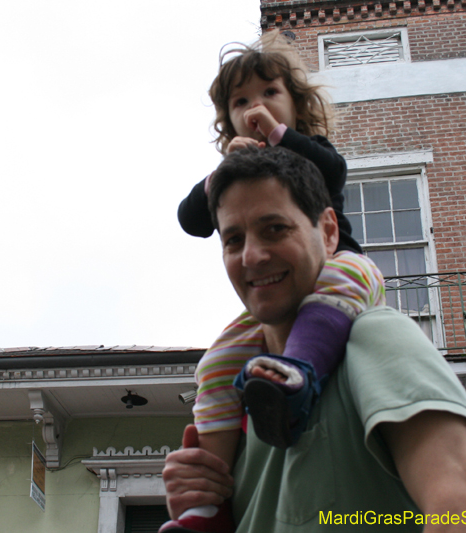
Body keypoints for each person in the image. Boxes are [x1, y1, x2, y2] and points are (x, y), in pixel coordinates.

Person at [163, 146, 466, 533]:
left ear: (329, 232)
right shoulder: (239, 394)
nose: (252, 256)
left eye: (275, 229)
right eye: (233, 240)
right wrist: (207, 506)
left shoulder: (375, 335)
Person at [167, 31, 385, 533]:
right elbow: (190, 219)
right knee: (218, 359)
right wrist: (223, 171)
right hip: (274, 303)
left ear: (296, 104)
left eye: (269, 93)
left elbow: (333, 168)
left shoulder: (312, 152)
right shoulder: (233, 172)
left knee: (347, 275)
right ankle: (207, 508)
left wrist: (281, 139)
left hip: (339, 275)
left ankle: (296, 377)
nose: (254, 107)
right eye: (240, 102)